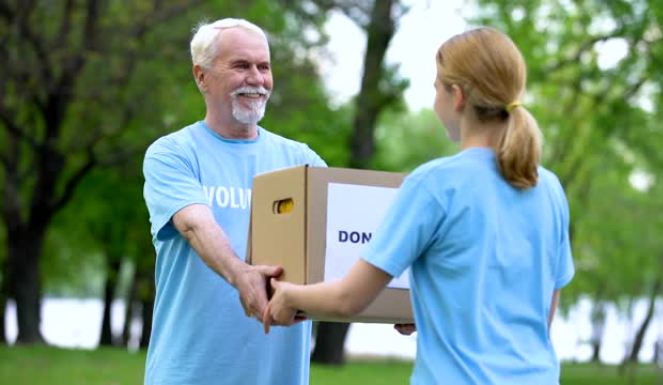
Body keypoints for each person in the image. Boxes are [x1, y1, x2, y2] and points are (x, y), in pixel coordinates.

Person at [263, 27, 575, 385]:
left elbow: (348, 298)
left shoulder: (435, 184)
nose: (434, 100)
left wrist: (287, 295)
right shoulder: (547, 187)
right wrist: (433, 312)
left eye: (435, 88)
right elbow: (538, 314)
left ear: (456, 96)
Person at [142, 18, 325, 385]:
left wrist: (397, 302)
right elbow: (195, 224)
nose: (256, 78)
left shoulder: (303, 162)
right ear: (201, 76)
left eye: (264, 66)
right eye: (241, 66)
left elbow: (341, 250)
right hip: (188, 375)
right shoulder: (174, 154)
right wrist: (242, 275)